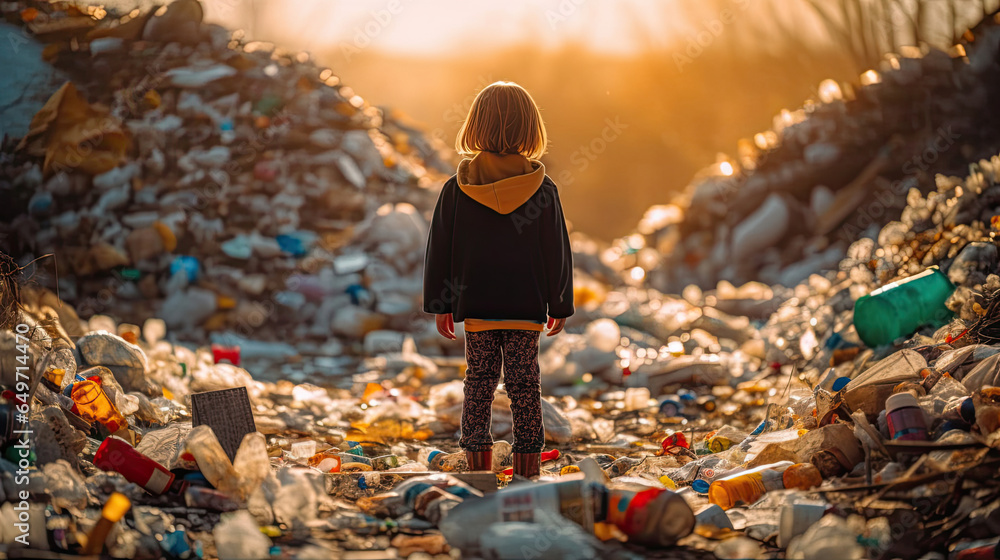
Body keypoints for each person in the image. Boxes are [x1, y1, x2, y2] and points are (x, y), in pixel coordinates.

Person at [423, 81, 574, 478]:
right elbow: (556, 252)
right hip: (526, 308)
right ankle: (528, 471)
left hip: (478, 308)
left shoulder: (457, 189)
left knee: (479, 384)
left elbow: (440, 250)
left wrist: (442, 305)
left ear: (475, 126)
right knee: (526, 387)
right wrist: (559, 305)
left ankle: (478, 470)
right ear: (531, 130)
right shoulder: (544, 190)